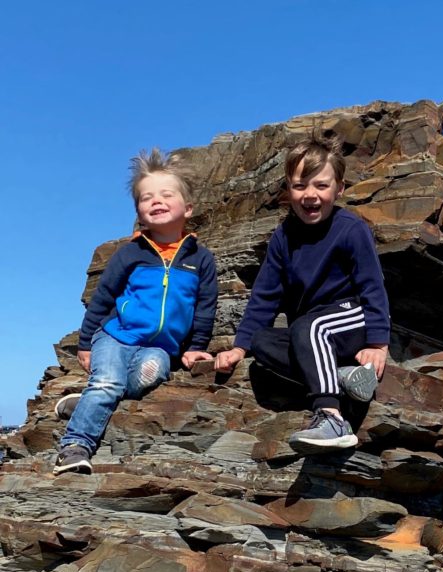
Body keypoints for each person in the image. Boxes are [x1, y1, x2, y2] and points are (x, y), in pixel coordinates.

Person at [214, 132, 390, 452]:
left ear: (340, 188)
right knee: (263, 342)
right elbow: (265, 296)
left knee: (309, 327)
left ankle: (331, 416)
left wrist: (378, 344)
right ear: (288, 189)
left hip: (351, 320)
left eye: (321, 185)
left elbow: (372, 286)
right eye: (300, 185)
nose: (310, 194)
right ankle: (343, 378)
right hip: (311, 332)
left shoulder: (351, 230)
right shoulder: (283, 237)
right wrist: (240, 348)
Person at [53, 150, 218, 475]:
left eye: (166, 194)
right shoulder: (131, 253)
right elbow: (103, 298)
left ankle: (86, 403)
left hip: (160, 349)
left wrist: (198, 346)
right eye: (146, 197)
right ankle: (74, 446)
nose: (155, 201)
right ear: (139, 210)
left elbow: (205, 306)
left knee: (150, 376)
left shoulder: (201, 259)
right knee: (109, 382)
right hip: (116, 337)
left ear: (188, 207)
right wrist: (85, 343)